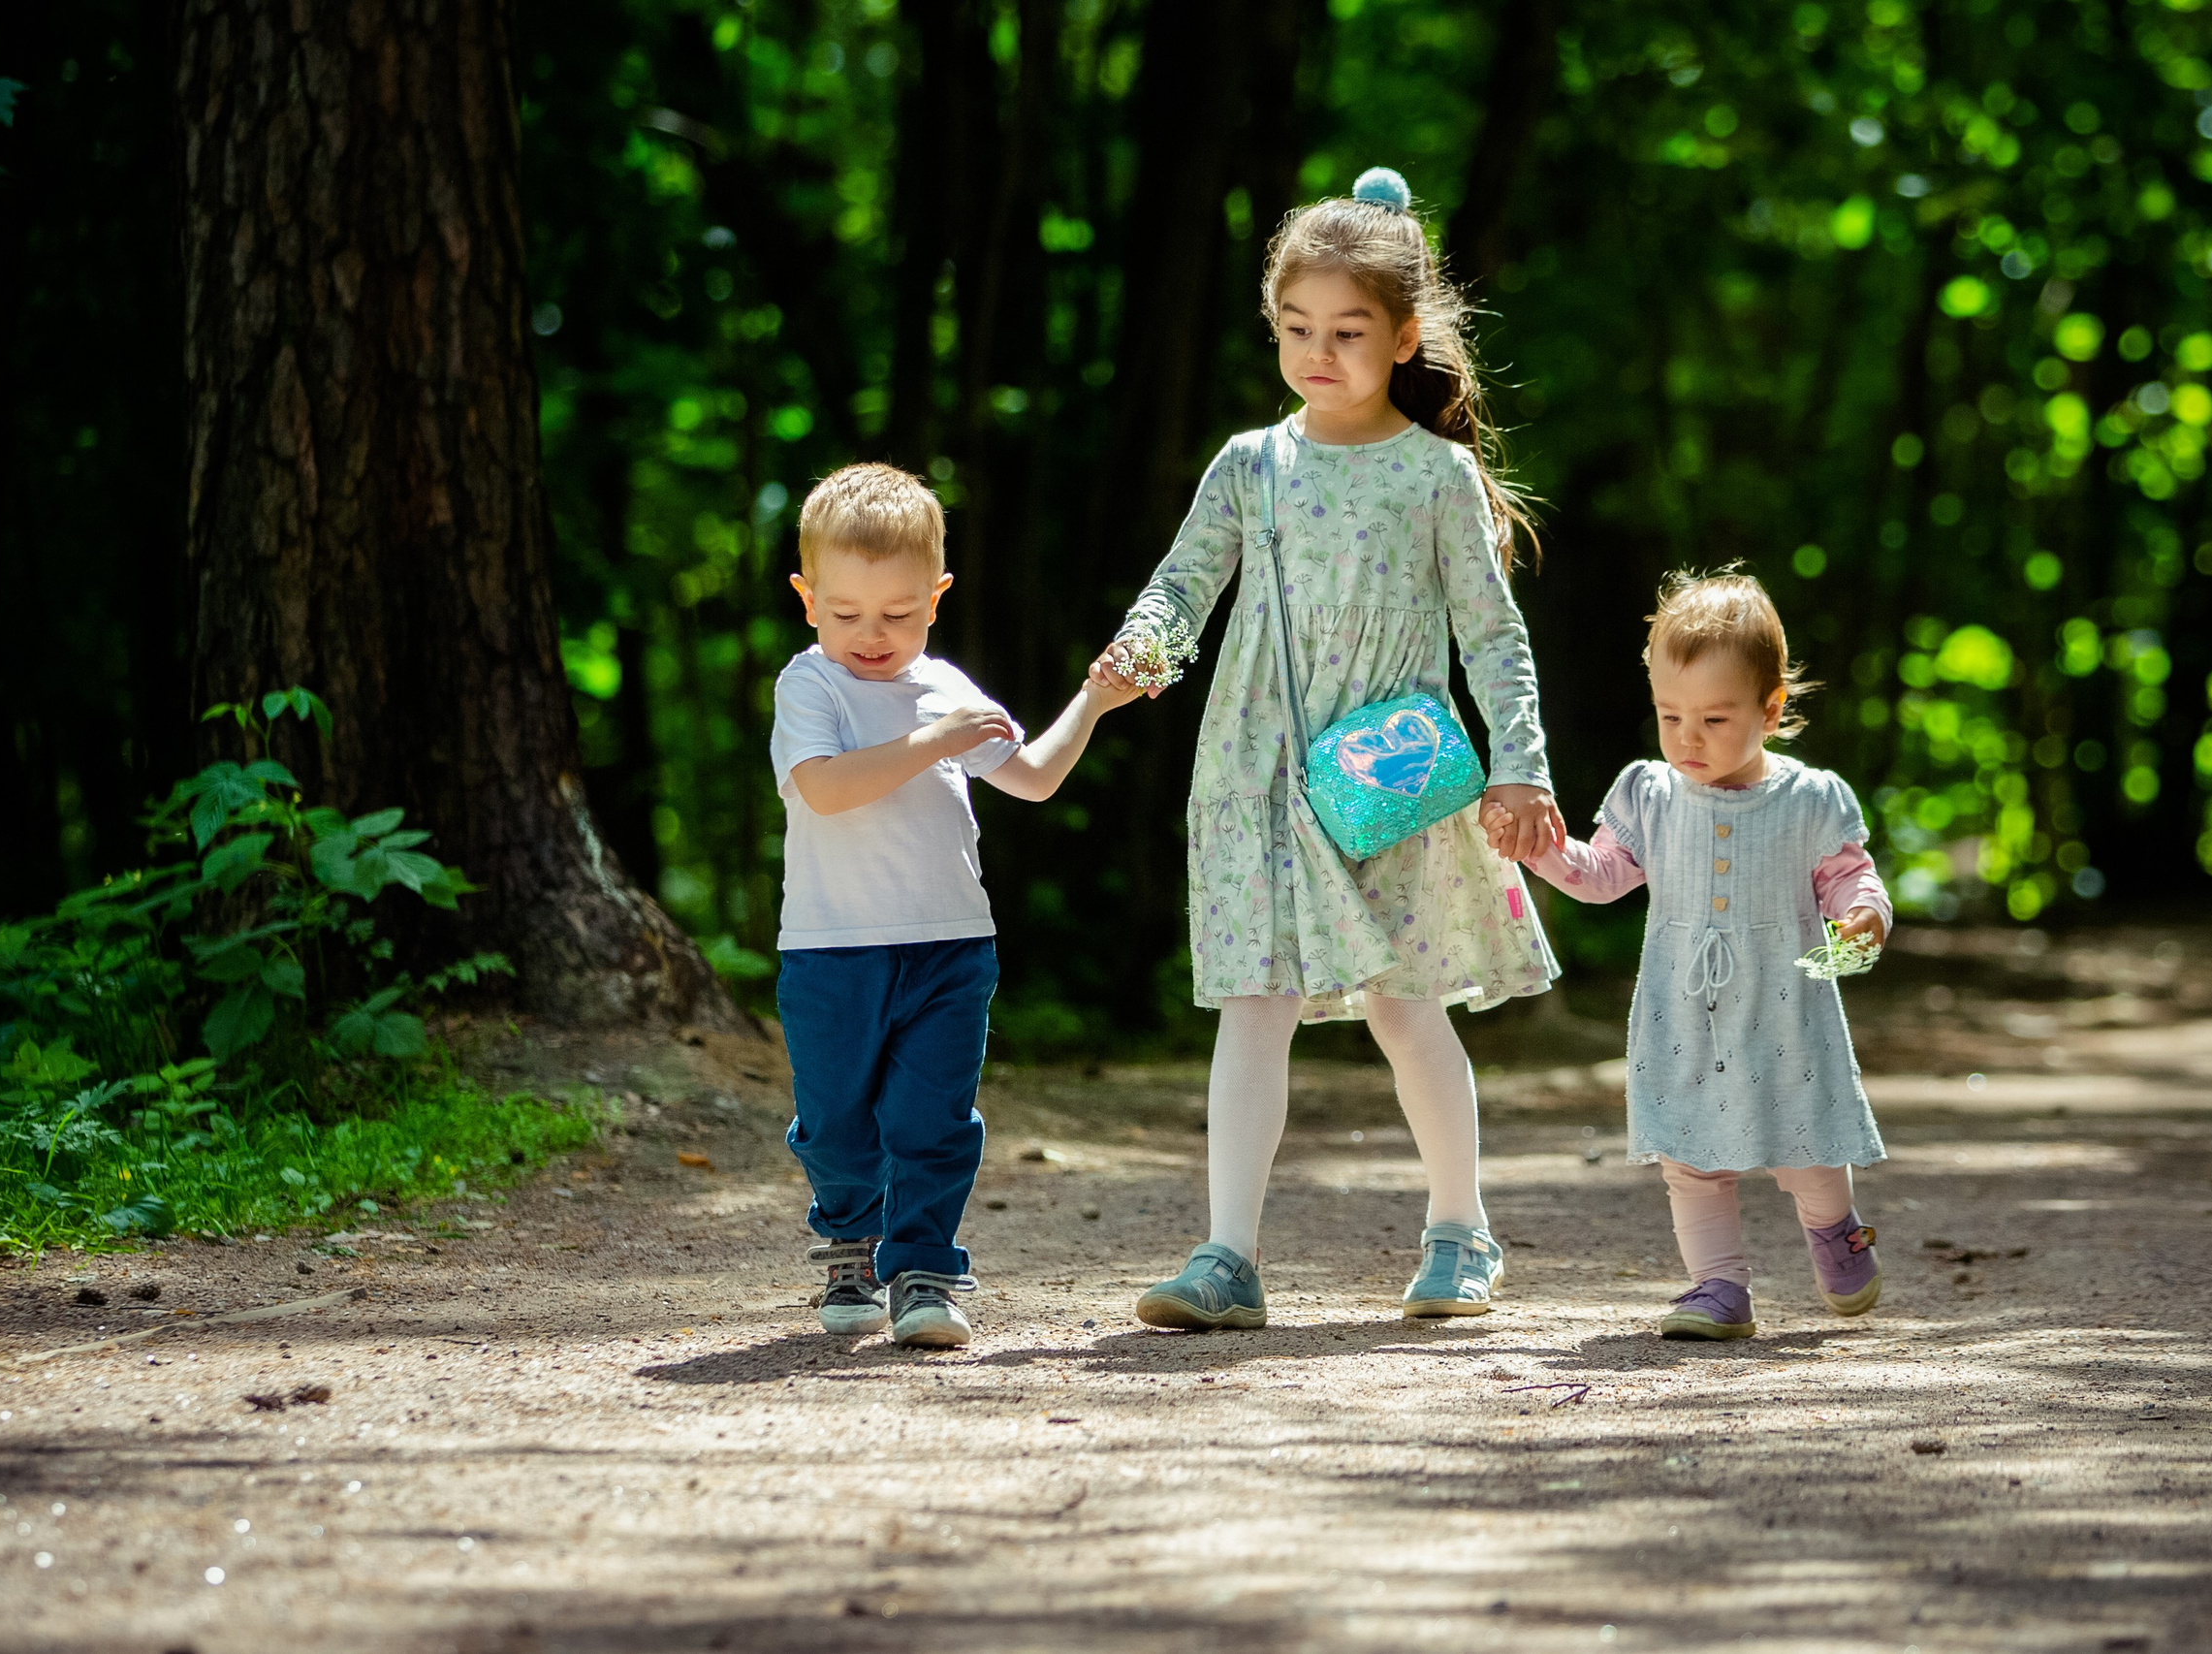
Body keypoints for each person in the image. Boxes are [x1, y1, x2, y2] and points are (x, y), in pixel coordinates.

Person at [1090, 167, 1564, 1330]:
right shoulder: (1250, 464)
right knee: (1253, 999)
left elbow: (1491, 634)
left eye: (1348, 331)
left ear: (1403, 337)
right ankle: (1226, 1256)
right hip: (1255, 769)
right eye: (1297, 328)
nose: (1318, 350)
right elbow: (1182, 584)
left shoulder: (1435, 473)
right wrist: (1137, 653)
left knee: (1406, 1007)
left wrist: (1521, 765)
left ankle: (1461, 1229)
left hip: (1392, 780)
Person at [773, 463, 1135, 1349]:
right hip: (832, 950)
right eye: (847, 612)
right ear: (807, 597)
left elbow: (1036, 778)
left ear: (936, 597)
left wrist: (1095, 699)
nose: (872, 634)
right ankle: (849, 1243)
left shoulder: (950, 688)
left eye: (898, 613)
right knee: (838, 1124)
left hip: (951, 946)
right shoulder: (809, 685)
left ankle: (927, 1274)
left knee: (933, 1118)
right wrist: (930, 740)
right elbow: (823, 789)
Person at [1496, 569, 1892, 1340]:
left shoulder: (1810, 800)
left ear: (1770, 710)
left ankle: (1835, 1229)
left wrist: (1862, 918)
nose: (1688, 737)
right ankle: (1718, 1288)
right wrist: (1543, 852)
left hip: (1784, 1011)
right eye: (1670, 715)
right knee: (1690, 1158)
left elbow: (1850, 878)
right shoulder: (1651, 792)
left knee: (1804, 1149)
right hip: (1686, 1012)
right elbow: (1603, 876)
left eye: (1714, 717)